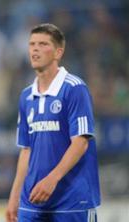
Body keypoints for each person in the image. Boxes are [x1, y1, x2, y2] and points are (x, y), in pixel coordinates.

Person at [6, 23, 100, 222]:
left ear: (58, 52)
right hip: (31, 202)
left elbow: (81, 142)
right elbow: (26, 150)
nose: (35, 49)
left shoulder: (74, 88)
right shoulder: (26, 96)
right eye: (32, 44)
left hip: (72, 200)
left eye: (42, 44)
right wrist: (14, 197)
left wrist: (52, 179)